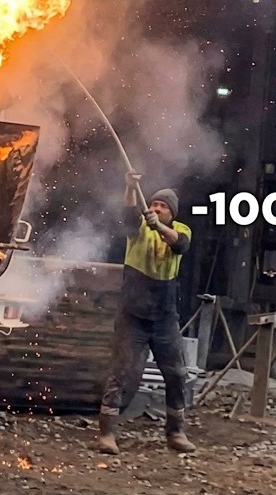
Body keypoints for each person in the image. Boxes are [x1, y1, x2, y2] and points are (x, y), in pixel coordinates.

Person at [97, 171, 197, 455]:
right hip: (133, 316)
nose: (154, 208)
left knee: (176, 374)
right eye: (152, 204)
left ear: (172, 213)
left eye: (161, 206)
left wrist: (160, 228)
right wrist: (130, 188)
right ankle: (107, 434)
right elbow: (129, 214)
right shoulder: (138, 227)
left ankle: (176, 432)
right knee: (121, 374)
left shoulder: (182, 230)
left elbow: (180, 244)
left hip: (165, 318)